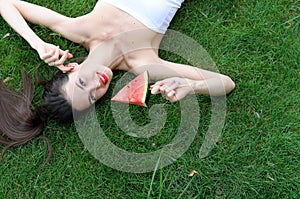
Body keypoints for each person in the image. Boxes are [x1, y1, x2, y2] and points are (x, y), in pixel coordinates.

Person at [0, 0, 235, 161]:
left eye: (82, 83)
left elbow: (7, 3)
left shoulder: (80, 30)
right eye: (92, 96)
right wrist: (192, 86)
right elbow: (225, 82)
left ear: (72, 67)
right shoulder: (144, 64)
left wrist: (37, 43)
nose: (97, 84)